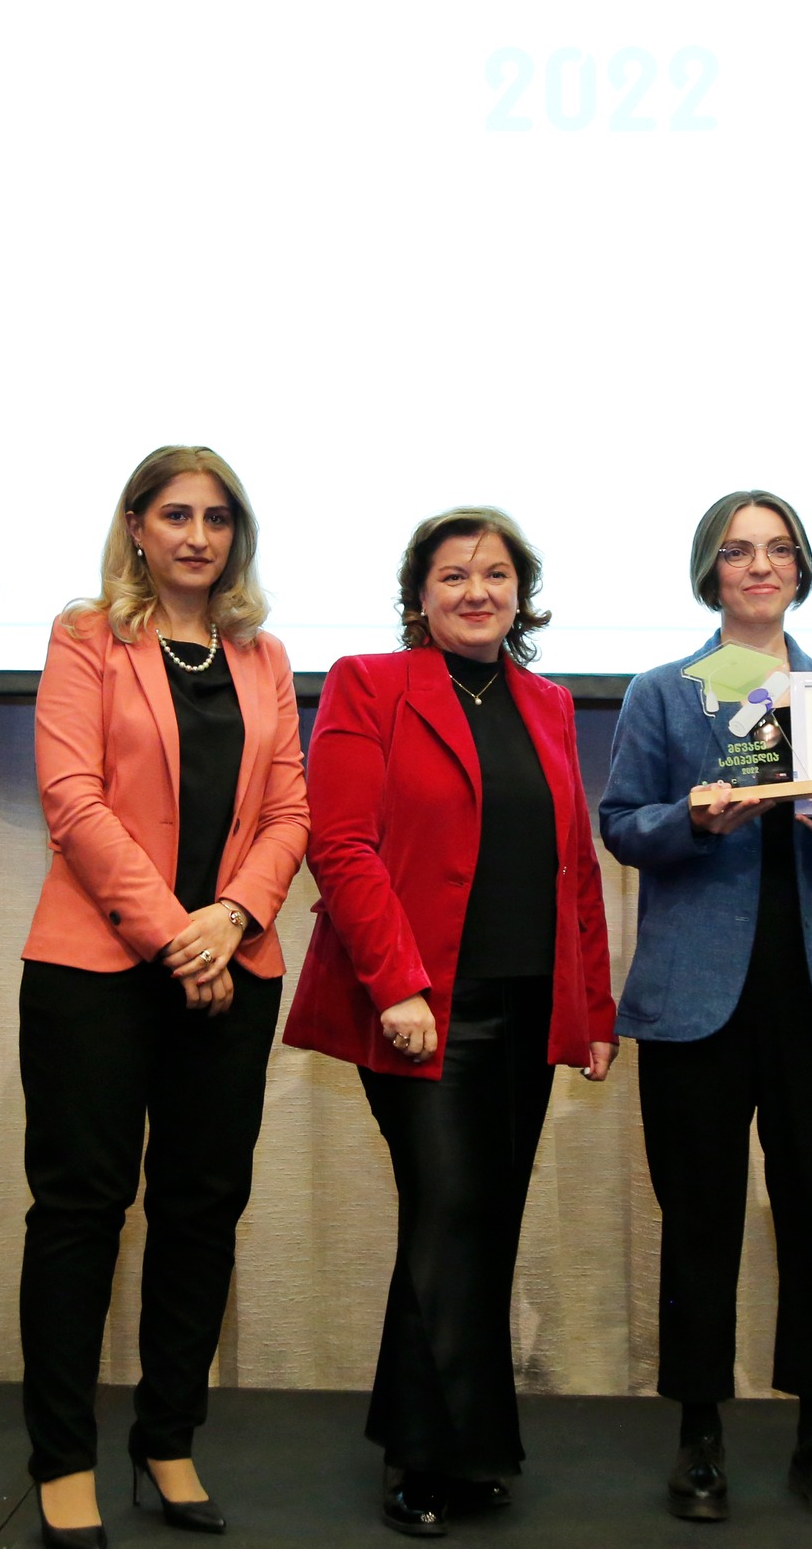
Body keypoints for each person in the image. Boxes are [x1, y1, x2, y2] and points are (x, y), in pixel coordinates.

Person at [283, 507, 616, 1537]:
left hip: (528, 1004)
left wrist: (593, 1007)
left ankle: (464, 1444)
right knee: (447, 1213)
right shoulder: (367, 683)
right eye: (454, 575)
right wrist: (396, 984)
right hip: (421, 1005)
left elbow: (575, 865)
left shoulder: (548, 703)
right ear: (418, 595)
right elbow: (340, 844)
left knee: (485, 1223)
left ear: (521, 594)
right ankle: (422, 1455)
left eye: (496, 574)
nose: (477, 591)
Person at [18, 446, 310, 1547]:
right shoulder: (86, 635)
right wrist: (178, 937)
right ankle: (61, 1461)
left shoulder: (264, 656)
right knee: (80, 1213)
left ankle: (167, 1439)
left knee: (201, 1210)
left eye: (218, 517)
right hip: (94, 971)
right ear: (137, 526)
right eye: (177, 514)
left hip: (232, 970)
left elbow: (289, 810)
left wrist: (230, 918)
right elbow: (72, 798)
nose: (198, 535)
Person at [599, 491, 812, 1526]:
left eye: (777, 549)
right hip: (695, 1001)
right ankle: (699, 1435)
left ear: (800, 568)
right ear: (710, 571)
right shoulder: (663, 691)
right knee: (698, 1222)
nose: (759, 565)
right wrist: (691, 818)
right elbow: (621, 825)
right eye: (737, 550)